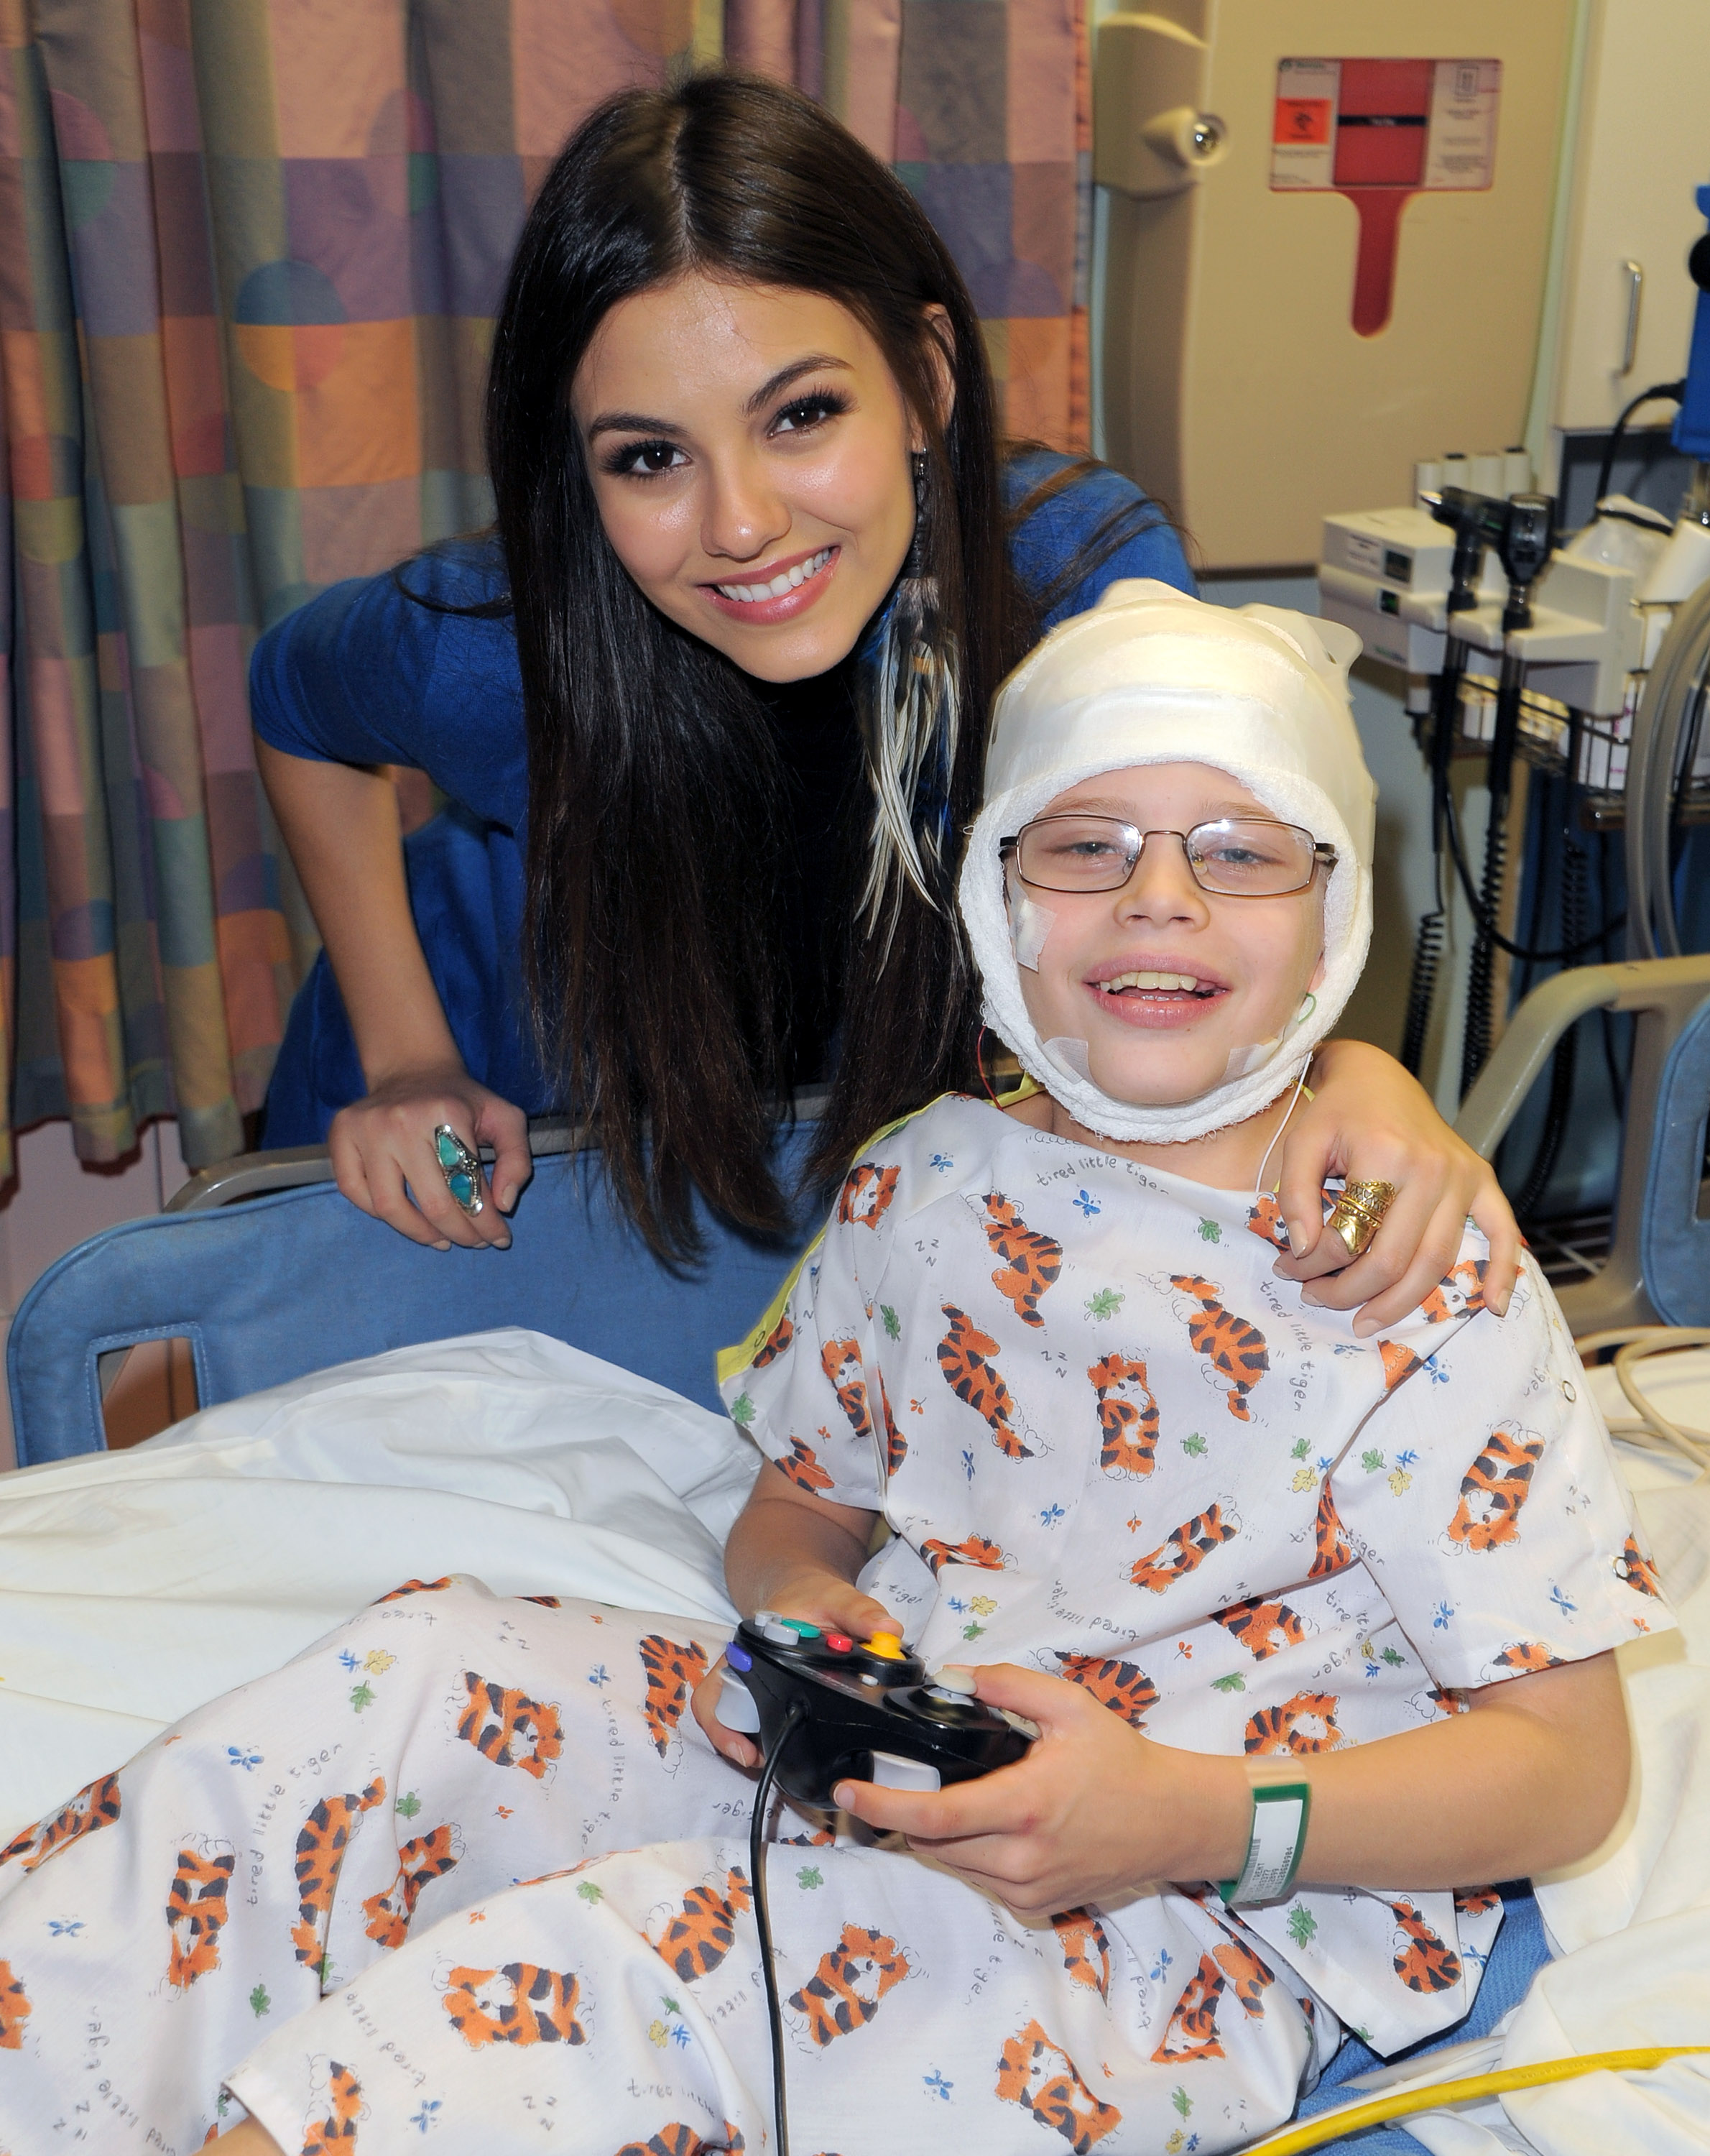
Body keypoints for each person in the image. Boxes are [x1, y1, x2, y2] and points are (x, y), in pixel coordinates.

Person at [0, 586, 1663, 2155]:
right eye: (1082, 845)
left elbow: (1565, 1772)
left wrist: (1188, 1817)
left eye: (1239, 850)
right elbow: (800, 1508)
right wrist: (813, 1623)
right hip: (893, 1751)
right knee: (419, 1674)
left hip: (1190, 1907)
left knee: (598, 1986)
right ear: (995, 894)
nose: (1158, 896)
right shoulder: (922, 1186)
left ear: (1332, 913)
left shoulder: (1406, 1262)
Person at [251, 70, 1517, 1337]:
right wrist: (406, 1054)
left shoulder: (1073, 592)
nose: (742, 523)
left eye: (801, 415)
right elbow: (292, 707)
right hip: (507, 1116)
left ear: (924, 378)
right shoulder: (489, 647)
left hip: (851, 1136)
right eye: (650, 456)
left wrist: (1340, 1074)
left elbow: (1187, 901)